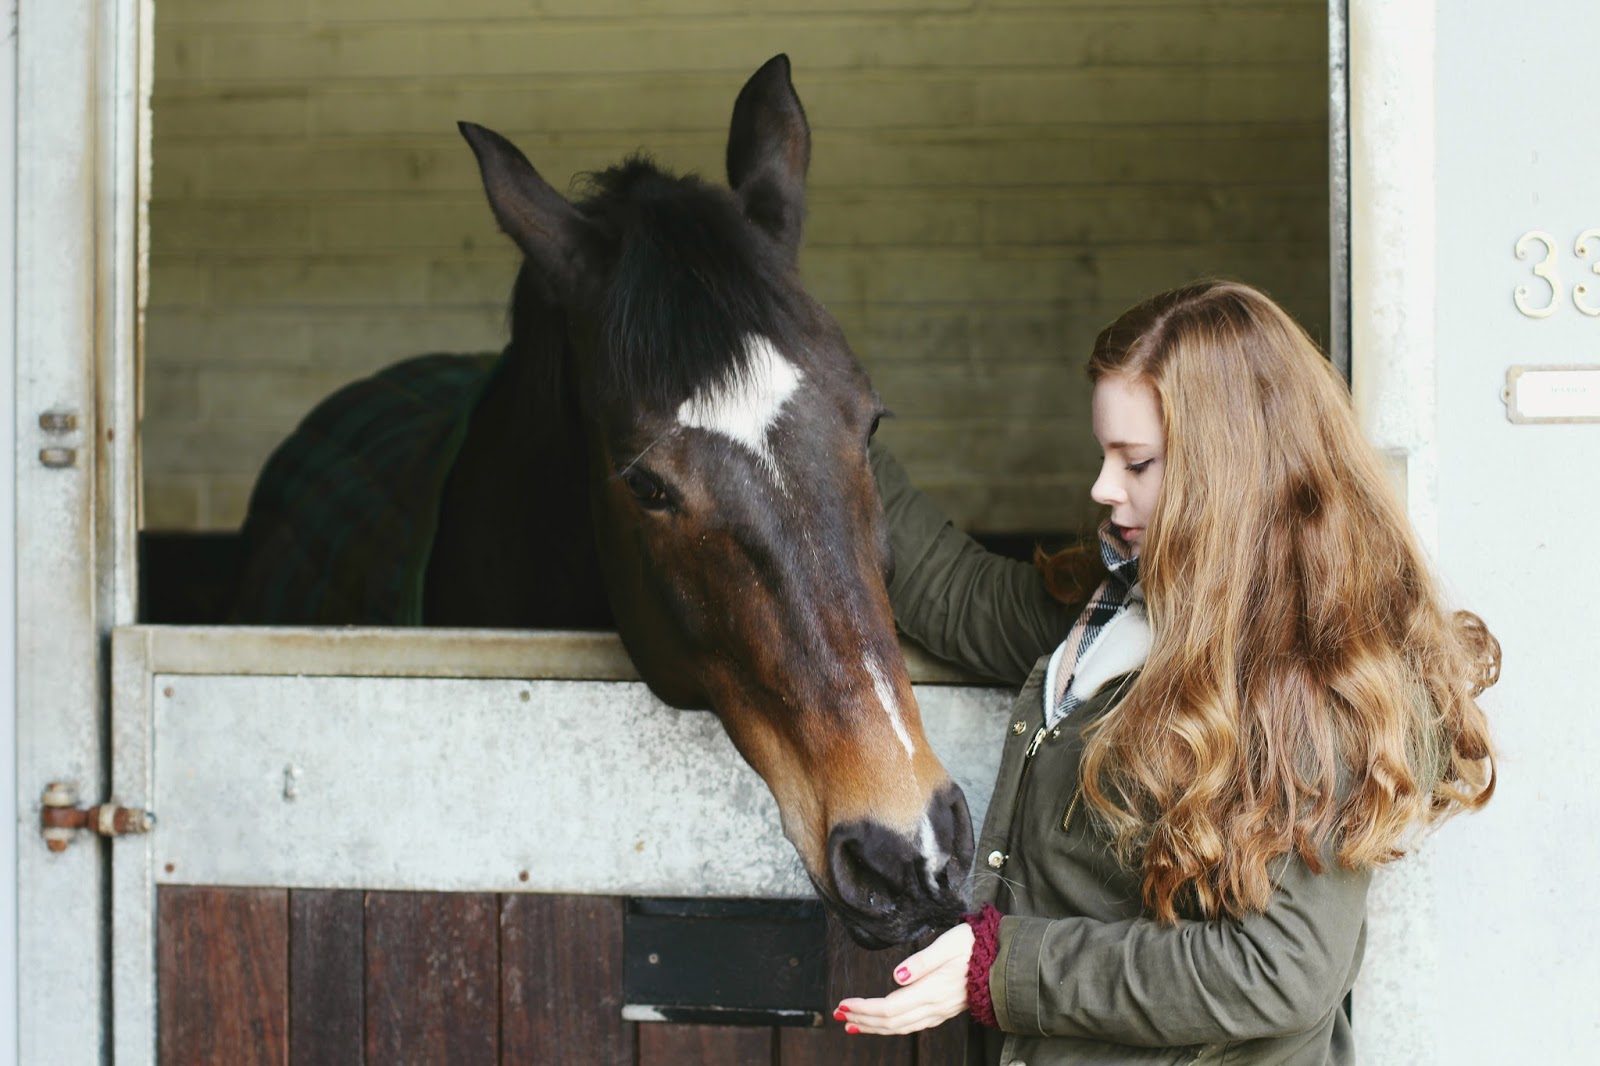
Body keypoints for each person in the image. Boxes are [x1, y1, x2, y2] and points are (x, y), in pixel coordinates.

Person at [839, 279, 1499, 1065]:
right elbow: (958, 595)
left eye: (1138, 462)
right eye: (1106, 455)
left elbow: (1279, 970)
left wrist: (1001, 968)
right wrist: (811, 409)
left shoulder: (1315, 672)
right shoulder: (1114, 599)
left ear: (1233, 468)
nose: (1102, 487)